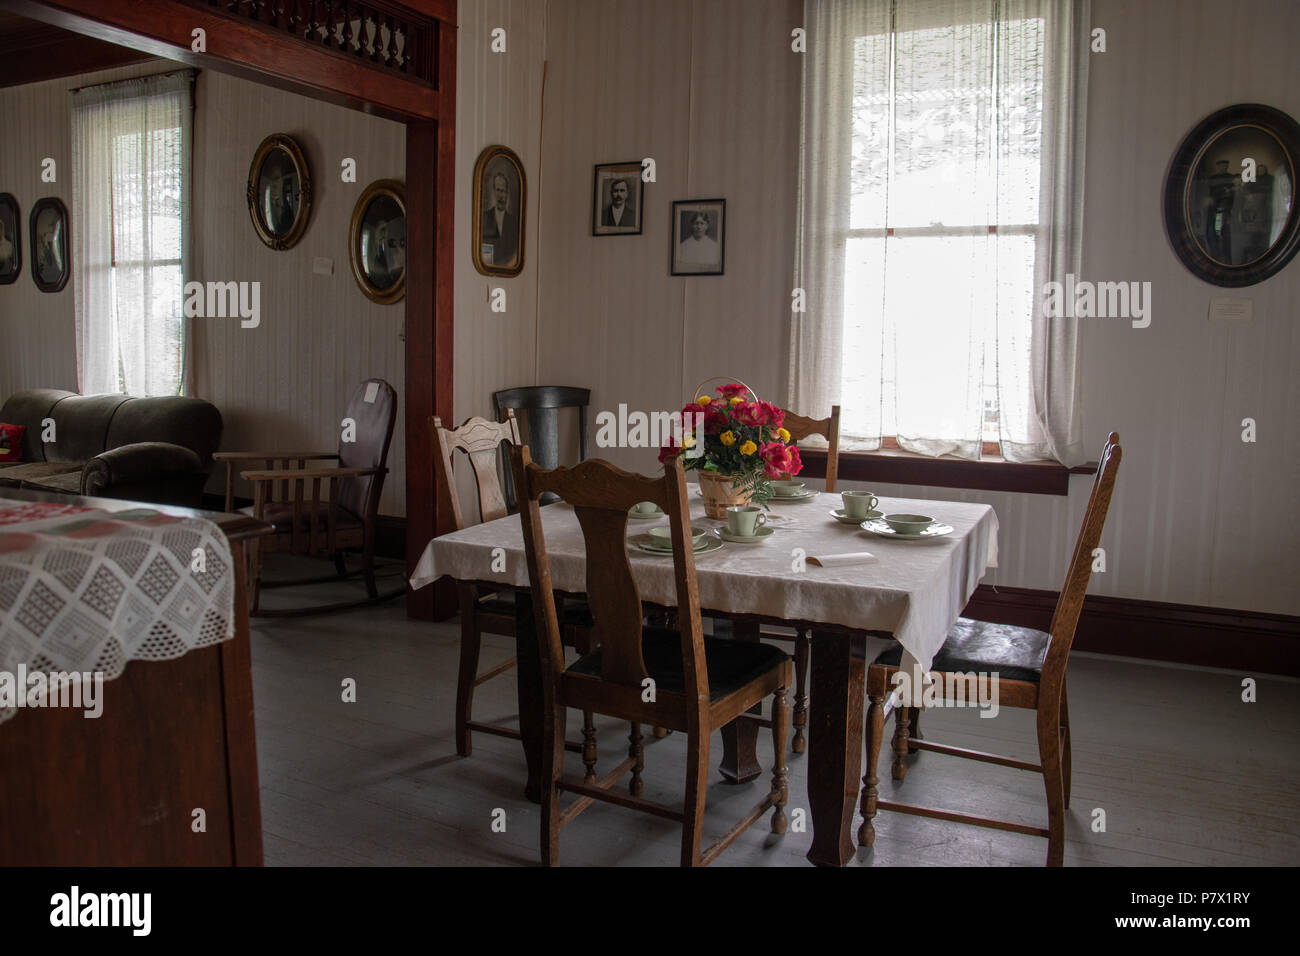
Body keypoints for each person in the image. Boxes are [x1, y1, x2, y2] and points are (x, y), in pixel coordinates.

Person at [480, 171, 518, 266]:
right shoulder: (484, 218)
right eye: (498, 190)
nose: (500, 196)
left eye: (503, 191)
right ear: (493, 191)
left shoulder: (514, 223)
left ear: (507, 193)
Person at [35, 211, 62, 284]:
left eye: (52, 226)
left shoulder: (57, 236)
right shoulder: (47, 236)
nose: (51, 228)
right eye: (51, 226)